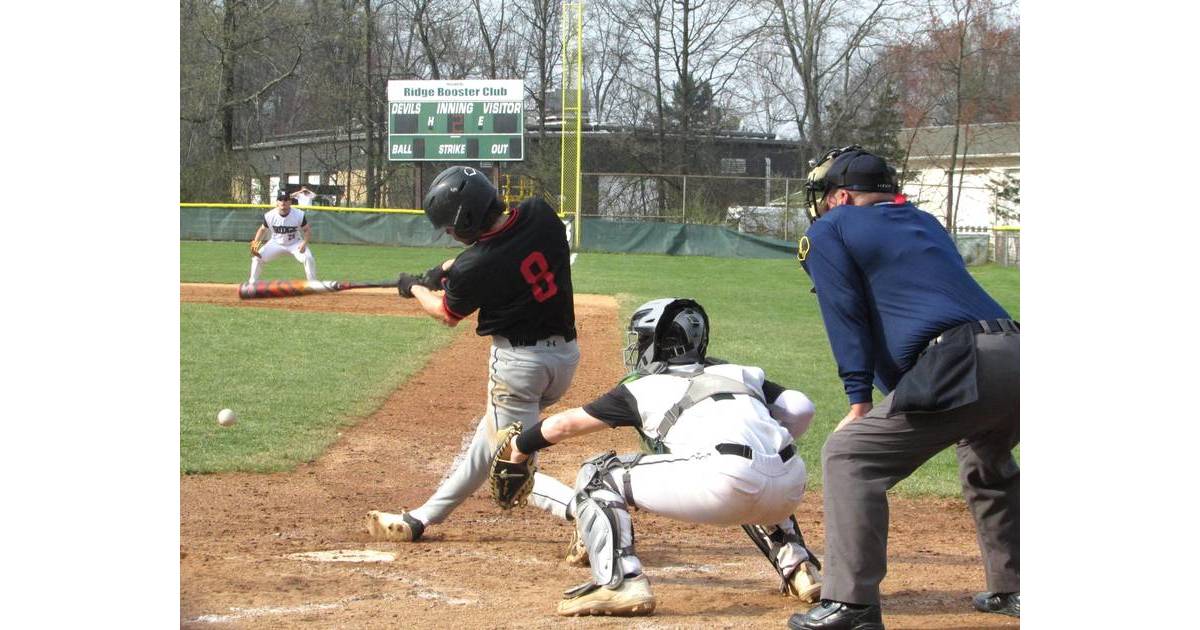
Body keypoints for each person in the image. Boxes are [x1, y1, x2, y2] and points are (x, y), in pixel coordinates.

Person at [787, 147, 1019, 630]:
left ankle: (852, 605)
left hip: (962, 358)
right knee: (986, 460)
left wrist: (858, 399)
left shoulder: (831, 227)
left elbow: (846, 316)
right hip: (1019, 348)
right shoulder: (927, 221)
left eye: (828, 195)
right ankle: (1015, 589)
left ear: (843, 196)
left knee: (850, 456)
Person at [499, 298, 823, 617]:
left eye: (641, 339)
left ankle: (621, 583)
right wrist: (766, 442)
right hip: (790, 485)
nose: (637, 346)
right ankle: (800, 568)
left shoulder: (642, 386)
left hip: (723, 484)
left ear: (658, 343)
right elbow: (800, 408)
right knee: (760, 464)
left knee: (597, 473)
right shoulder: (740, 371)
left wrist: (520, 446)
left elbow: (565, 424)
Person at [365, 165, 581, 541]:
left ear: (465, 222)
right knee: (487, 445)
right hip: (563, 360)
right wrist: (440, 271)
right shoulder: (539, 213)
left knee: (508, 467)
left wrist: (415, 287)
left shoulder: (474, 266)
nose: (450, 234)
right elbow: (497, 252)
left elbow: (446, 313)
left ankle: (587, 509)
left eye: (450, 227)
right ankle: (421, 519)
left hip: (518, 370)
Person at [248, 190, 317, 283]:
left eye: (285, 199)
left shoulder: (299, 214)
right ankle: (252, 283)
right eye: (280, 200)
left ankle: (313, 284)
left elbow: (307, 230)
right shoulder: (270, 215)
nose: (283, 202)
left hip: (295, 243)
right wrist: (255, 244)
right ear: (277, 202)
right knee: (257, 258)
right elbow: (262, 229)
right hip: (276, 243)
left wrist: (304, 243)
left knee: (308, 258)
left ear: (290, 202)